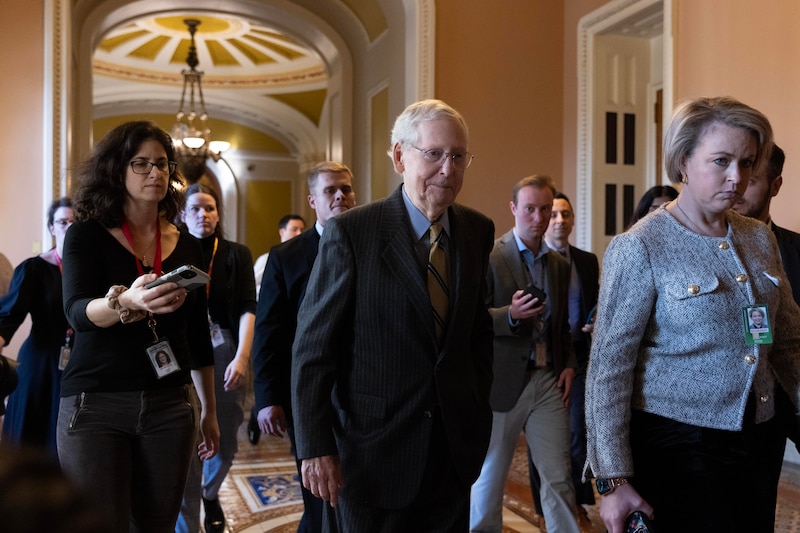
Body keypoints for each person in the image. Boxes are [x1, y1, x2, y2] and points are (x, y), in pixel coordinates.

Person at [584, 96, 800, 533]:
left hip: (758, 441)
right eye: (721, 161)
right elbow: (609, 370)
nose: (737, 177)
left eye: (747, 162)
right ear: (683, 160)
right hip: (677, 447)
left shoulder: (760, 239)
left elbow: (789, 342)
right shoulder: (640, 246)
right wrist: (612, 480)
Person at [291, 99, 494, 532]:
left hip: (452, 454)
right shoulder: (353, 233)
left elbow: (476, 334)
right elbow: (313, 349)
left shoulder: (477, 231)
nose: (448, 168)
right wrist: (314, 446)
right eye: (434, 154)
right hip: (370, 456)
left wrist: (476, 412)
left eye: (458, 156)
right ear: (401, 157)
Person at [59, 120, 220, 532]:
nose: (156, 173)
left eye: (163, 165)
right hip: (96, 403)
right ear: (117, 170)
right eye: (142, 164)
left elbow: (197, 338)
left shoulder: (186, 243)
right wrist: (126, 301)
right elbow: (77, 311)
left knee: (157, 525)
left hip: (170, 404)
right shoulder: (85, 236)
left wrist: (209, 412)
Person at [470, 175, 580, 533]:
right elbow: (472, 323)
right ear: (514, 209)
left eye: (545, 209)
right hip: (503, 382)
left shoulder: (560, 265)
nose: (539, 217)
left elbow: (561, 325)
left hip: (548, 380)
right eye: (530, 209)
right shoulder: (491, 257)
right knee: (490, 476)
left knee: (559, 476)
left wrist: (568, 365)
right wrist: (511, 316)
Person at [252, 162, 355, 532]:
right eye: (330, 190)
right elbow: (269, 332)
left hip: (363, 390)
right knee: (318, 492)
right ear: (313, 200)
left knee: (358, 492)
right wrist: (267, 396)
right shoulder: (286, 256)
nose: (340, 195)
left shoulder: (370, 245)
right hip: (308, 392)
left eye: (346, 188)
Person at [176, 182, 257, 533]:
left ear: (218, 213)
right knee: (183, 443)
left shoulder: (235, 253)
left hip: (225, 348)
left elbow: (246, 308)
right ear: (182, 214)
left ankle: (209, 493)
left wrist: (242, 356)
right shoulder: (172, 250)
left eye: (209, 208)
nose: (202, 215)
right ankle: (186, 520)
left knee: (223, 443)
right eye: (194, 208)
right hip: (180, 353)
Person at [536, 191, 599, 531]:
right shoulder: (535, 259)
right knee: (545, 438)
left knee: (577, 433)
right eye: (554, 214)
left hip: (581, 353)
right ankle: (548, 506)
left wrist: (595, 319)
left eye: (566, 214)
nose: (560, 221)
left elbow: (596, 299)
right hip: (546, 359)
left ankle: (576, 500)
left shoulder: (587, 261)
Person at [0, 197, 74, 453]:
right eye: (62, 222)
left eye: (75, 222)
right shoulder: (33, 269)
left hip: (80, 362)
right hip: (40, 363)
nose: (68, 227)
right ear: (52, 228)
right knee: (32, 439)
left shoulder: (92, 271)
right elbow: (9, 316)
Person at [253, 214, 306, 300]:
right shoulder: (266, 259)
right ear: (282, 232)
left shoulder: (305, 259)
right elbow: (252, 287)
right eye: (294, 229)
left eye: (302, 230)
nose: (299, 233)